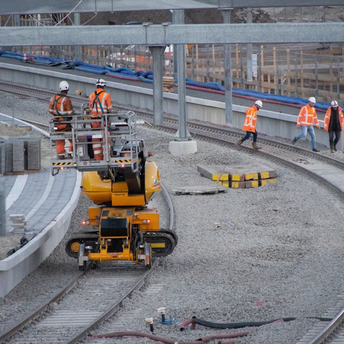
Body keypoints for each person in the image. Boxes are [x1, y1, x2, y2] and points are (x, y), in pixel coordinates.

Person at [48, 81, 74, 159]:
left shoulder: (53, 98)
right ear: (67, 89)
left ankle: (61, 155)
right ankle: (71, 153)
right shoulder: (66, 100)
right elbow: (70, 113)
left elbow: (50, 111)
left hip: (57, 123)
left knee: (59, 140)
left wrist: (57, 115)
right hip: (65, 124)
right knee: (73, 138)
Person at [88, 79, 113, 160]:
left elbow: (90, 108)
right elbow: (109, 108)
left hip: (94, 121)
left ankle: (97, 159)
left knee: (96, 140)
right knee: (105, 138)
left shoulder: (91, 95)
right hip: (103, 120)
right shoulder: (106, 95)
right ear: (104, 86)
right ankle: (106, 158)